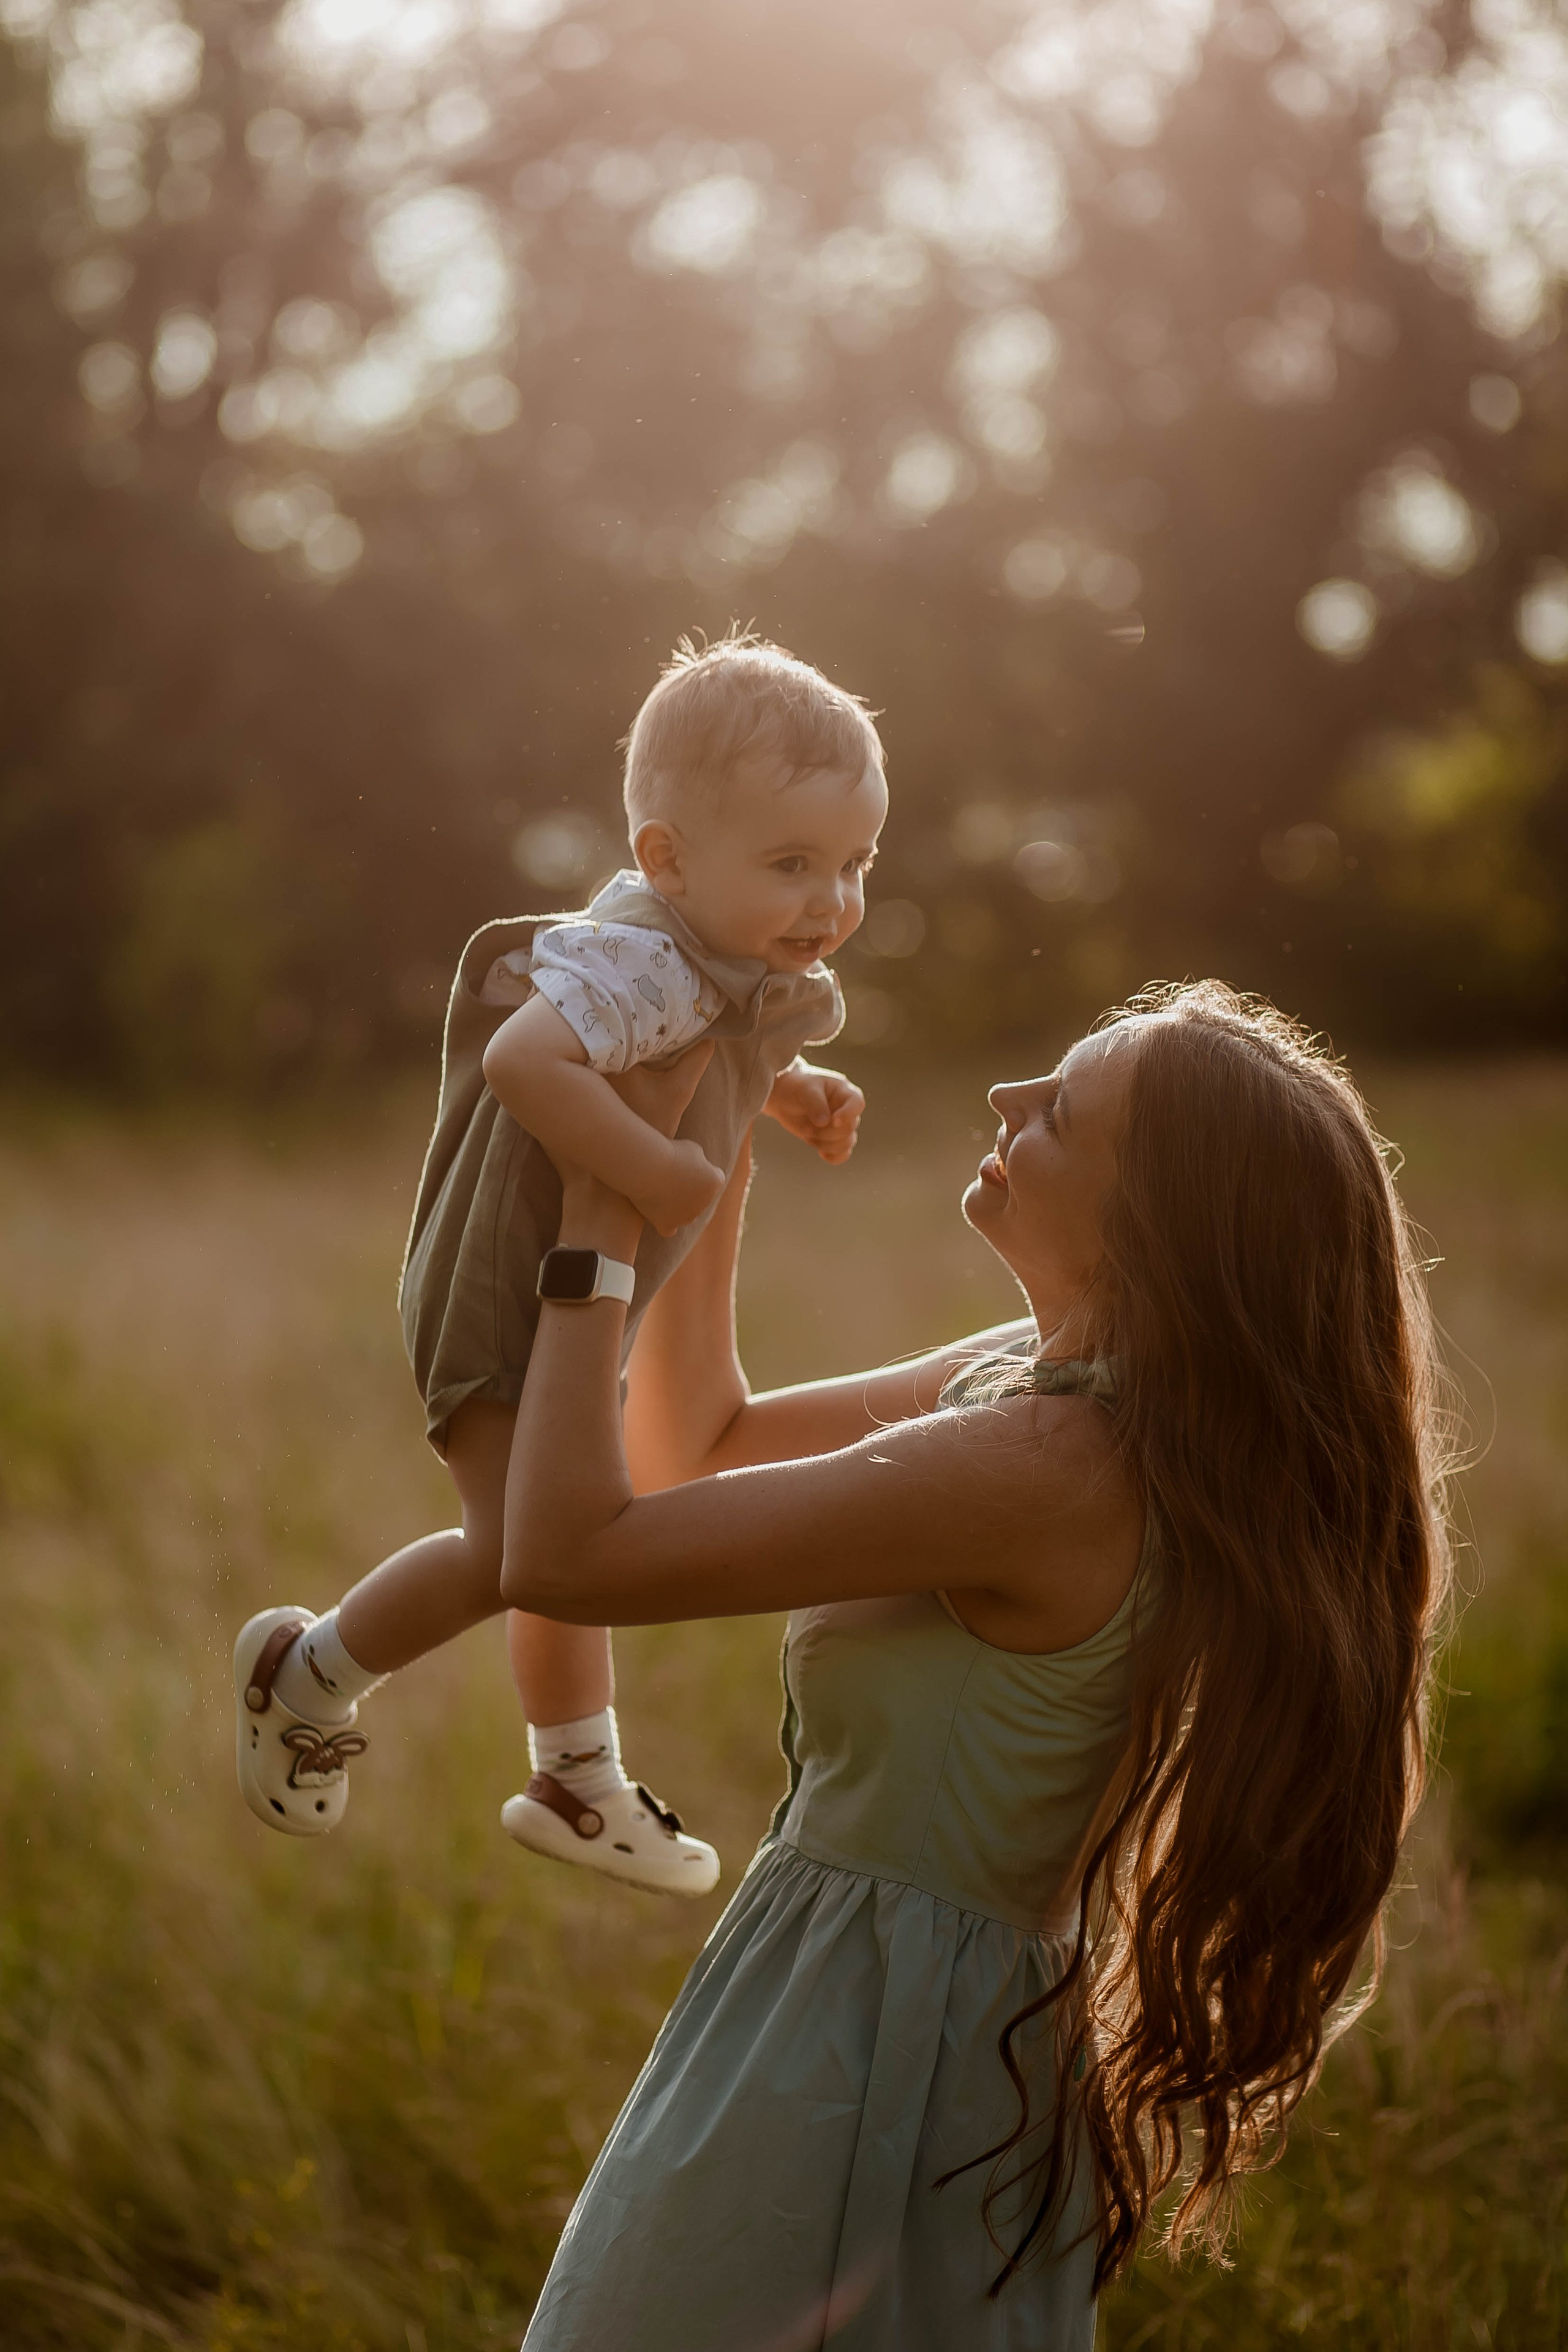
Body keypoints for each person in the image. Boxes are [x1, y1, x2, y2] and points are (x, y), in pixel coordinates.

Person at [502, 981, 1452, 2351]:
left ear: (1150, 1231)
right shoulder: (1045, 1386)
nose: (1005, 1104)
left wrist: (599, 1223)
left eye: (1058, 1113)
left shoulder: (1042, 1469)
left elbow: (569, 1556)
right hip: (907, 2012)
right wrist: (712, 1155)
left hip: (864, 2045)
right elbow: (694, 1446)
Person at [231, 633, 884, 1893]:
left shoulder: (705, 952)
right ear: (666, 860)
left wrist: (783, 1089)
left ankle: (543, 1767)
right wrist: (651, 1173)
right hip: (502, 1287)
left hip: (563, 1293)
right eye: (793, 864)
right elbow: (536, 1064)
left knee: (545, 1537)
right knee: (529, 1545)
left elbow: (684, 1048)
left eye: (853, 864)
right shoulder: (639, 954)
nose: (831, 900)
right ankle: (371, 1699)